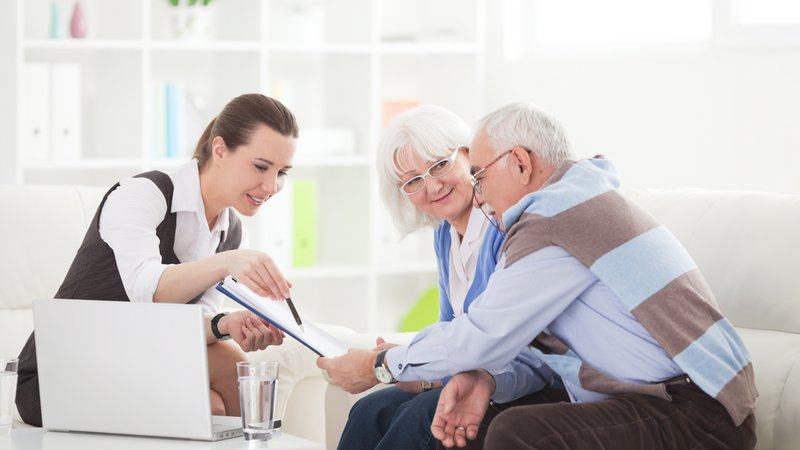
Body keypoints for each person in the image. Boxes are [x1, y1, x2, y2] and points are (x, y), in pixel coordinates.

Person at [319, 102, 757, 449]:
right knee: (439, 418)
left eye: (479, 174)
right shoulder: (569, 205)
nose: (480, 192)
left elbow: (484, 333)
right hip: (653, 399)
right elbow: (523, 346)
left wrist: (379, 364)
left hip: (698, 412)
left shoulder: (553, 218)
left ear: (522, 164)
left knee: (511, 432)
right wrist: (480, 377)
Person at [16, 93, 299, 427]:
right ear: (220, 149)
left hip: (140, 359)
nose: (271, 185)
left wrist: (225, 324)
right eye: (261, 166)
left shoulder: (232, 235)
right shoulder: (144, 194)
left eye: (282, 172)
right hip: (63, 370)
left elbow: (187, 328)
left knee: (224, 369)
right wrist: (227, 264)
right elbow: (147, 293)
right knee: (212, 401)